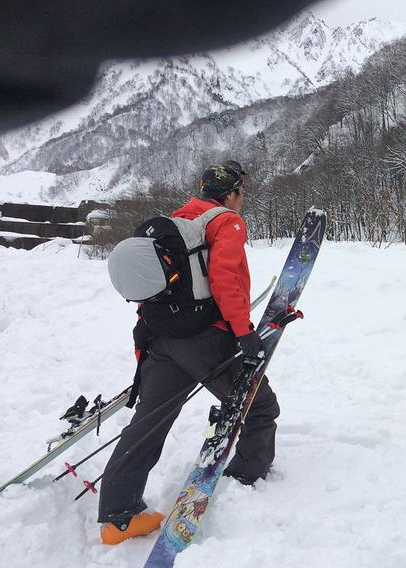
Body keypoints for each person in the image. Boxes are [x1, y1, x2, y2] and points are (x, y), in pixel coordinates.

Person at [98, 161, 280, 545]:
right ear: (231, 193)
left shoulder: (178, 219)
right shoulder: (225, 222)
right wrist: (243, 332)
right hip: (204, 339)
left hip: (160, 338)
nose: (242, 200)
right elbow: (224, 278)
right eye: (241, 192)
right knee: (258, 404)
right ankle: (245, 480)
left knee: (149, 421)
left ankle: (119, 517)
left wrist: (147, 343)